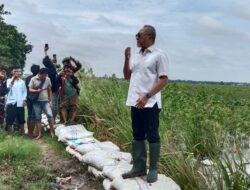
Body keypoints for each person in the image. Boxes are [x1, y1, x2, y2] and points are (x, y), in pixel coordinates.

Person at [122, 25, 169, 183]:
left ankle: (153, 169)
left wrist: (147, 96)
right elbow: (127, 76)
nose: (136, 37)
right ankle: (138, 167)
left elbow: (164, 80)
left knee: (152, 135)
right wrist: (127, 58)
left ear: (150, 37)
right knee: (137, 135)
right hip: (135, 102)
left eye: (139, 35)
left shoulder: (159, 55)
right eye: (136, 35)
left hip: (150, 103)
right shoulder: (136, 56)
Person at [29, 68, 55, 139]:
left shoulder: (48, 79)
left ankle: (52, 132)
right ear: (40, 74)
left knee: (50, 115)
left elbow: (49, 90)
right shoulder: (33, 79)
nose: (45, 76)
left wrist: (51, 101)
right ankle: (39, 134)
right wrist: (36, 91)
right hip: (36, 101)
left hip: (46, 101)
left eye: (46, 75)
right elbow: (30, 89)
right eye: (44, 75)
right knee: (38, 118)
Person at [6, 66, 27, 135]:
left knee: (21, 119)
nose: (17, 73)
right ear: (12, 72)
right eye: (15, 71)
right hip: (12, 102)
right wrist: (13, 79)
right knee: (10, 119)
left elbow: (24, 92)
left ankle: (22, 133)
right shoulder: (9, 80)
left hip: (20, 102)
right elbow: (8, 88)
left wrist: (24, 100)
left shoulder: (22, 82)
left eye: (18, 71)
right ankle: (10, 134)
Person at [43, 47, 60, 122]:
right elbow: (48, 61)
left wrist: (46, 52)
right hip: (53, 90)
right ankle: (52, 121)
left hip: (52, 90)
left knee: (52, 105)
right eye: (51, 61)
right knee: (54, 106)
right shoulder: (51, 70)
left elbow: (50, 62)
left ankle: (51, 119)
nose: (52, 61)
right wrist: (45, 52)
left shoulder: (49, 69)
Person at [25, 64, 40, 138]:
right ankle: (31, 133)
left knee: (29, 115)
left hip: (28, 98)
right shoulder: (38, 78)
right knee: (34, 116)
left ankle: (29, 131)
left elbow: (26, 89)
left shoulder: (27, 78)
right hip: (36, 99)